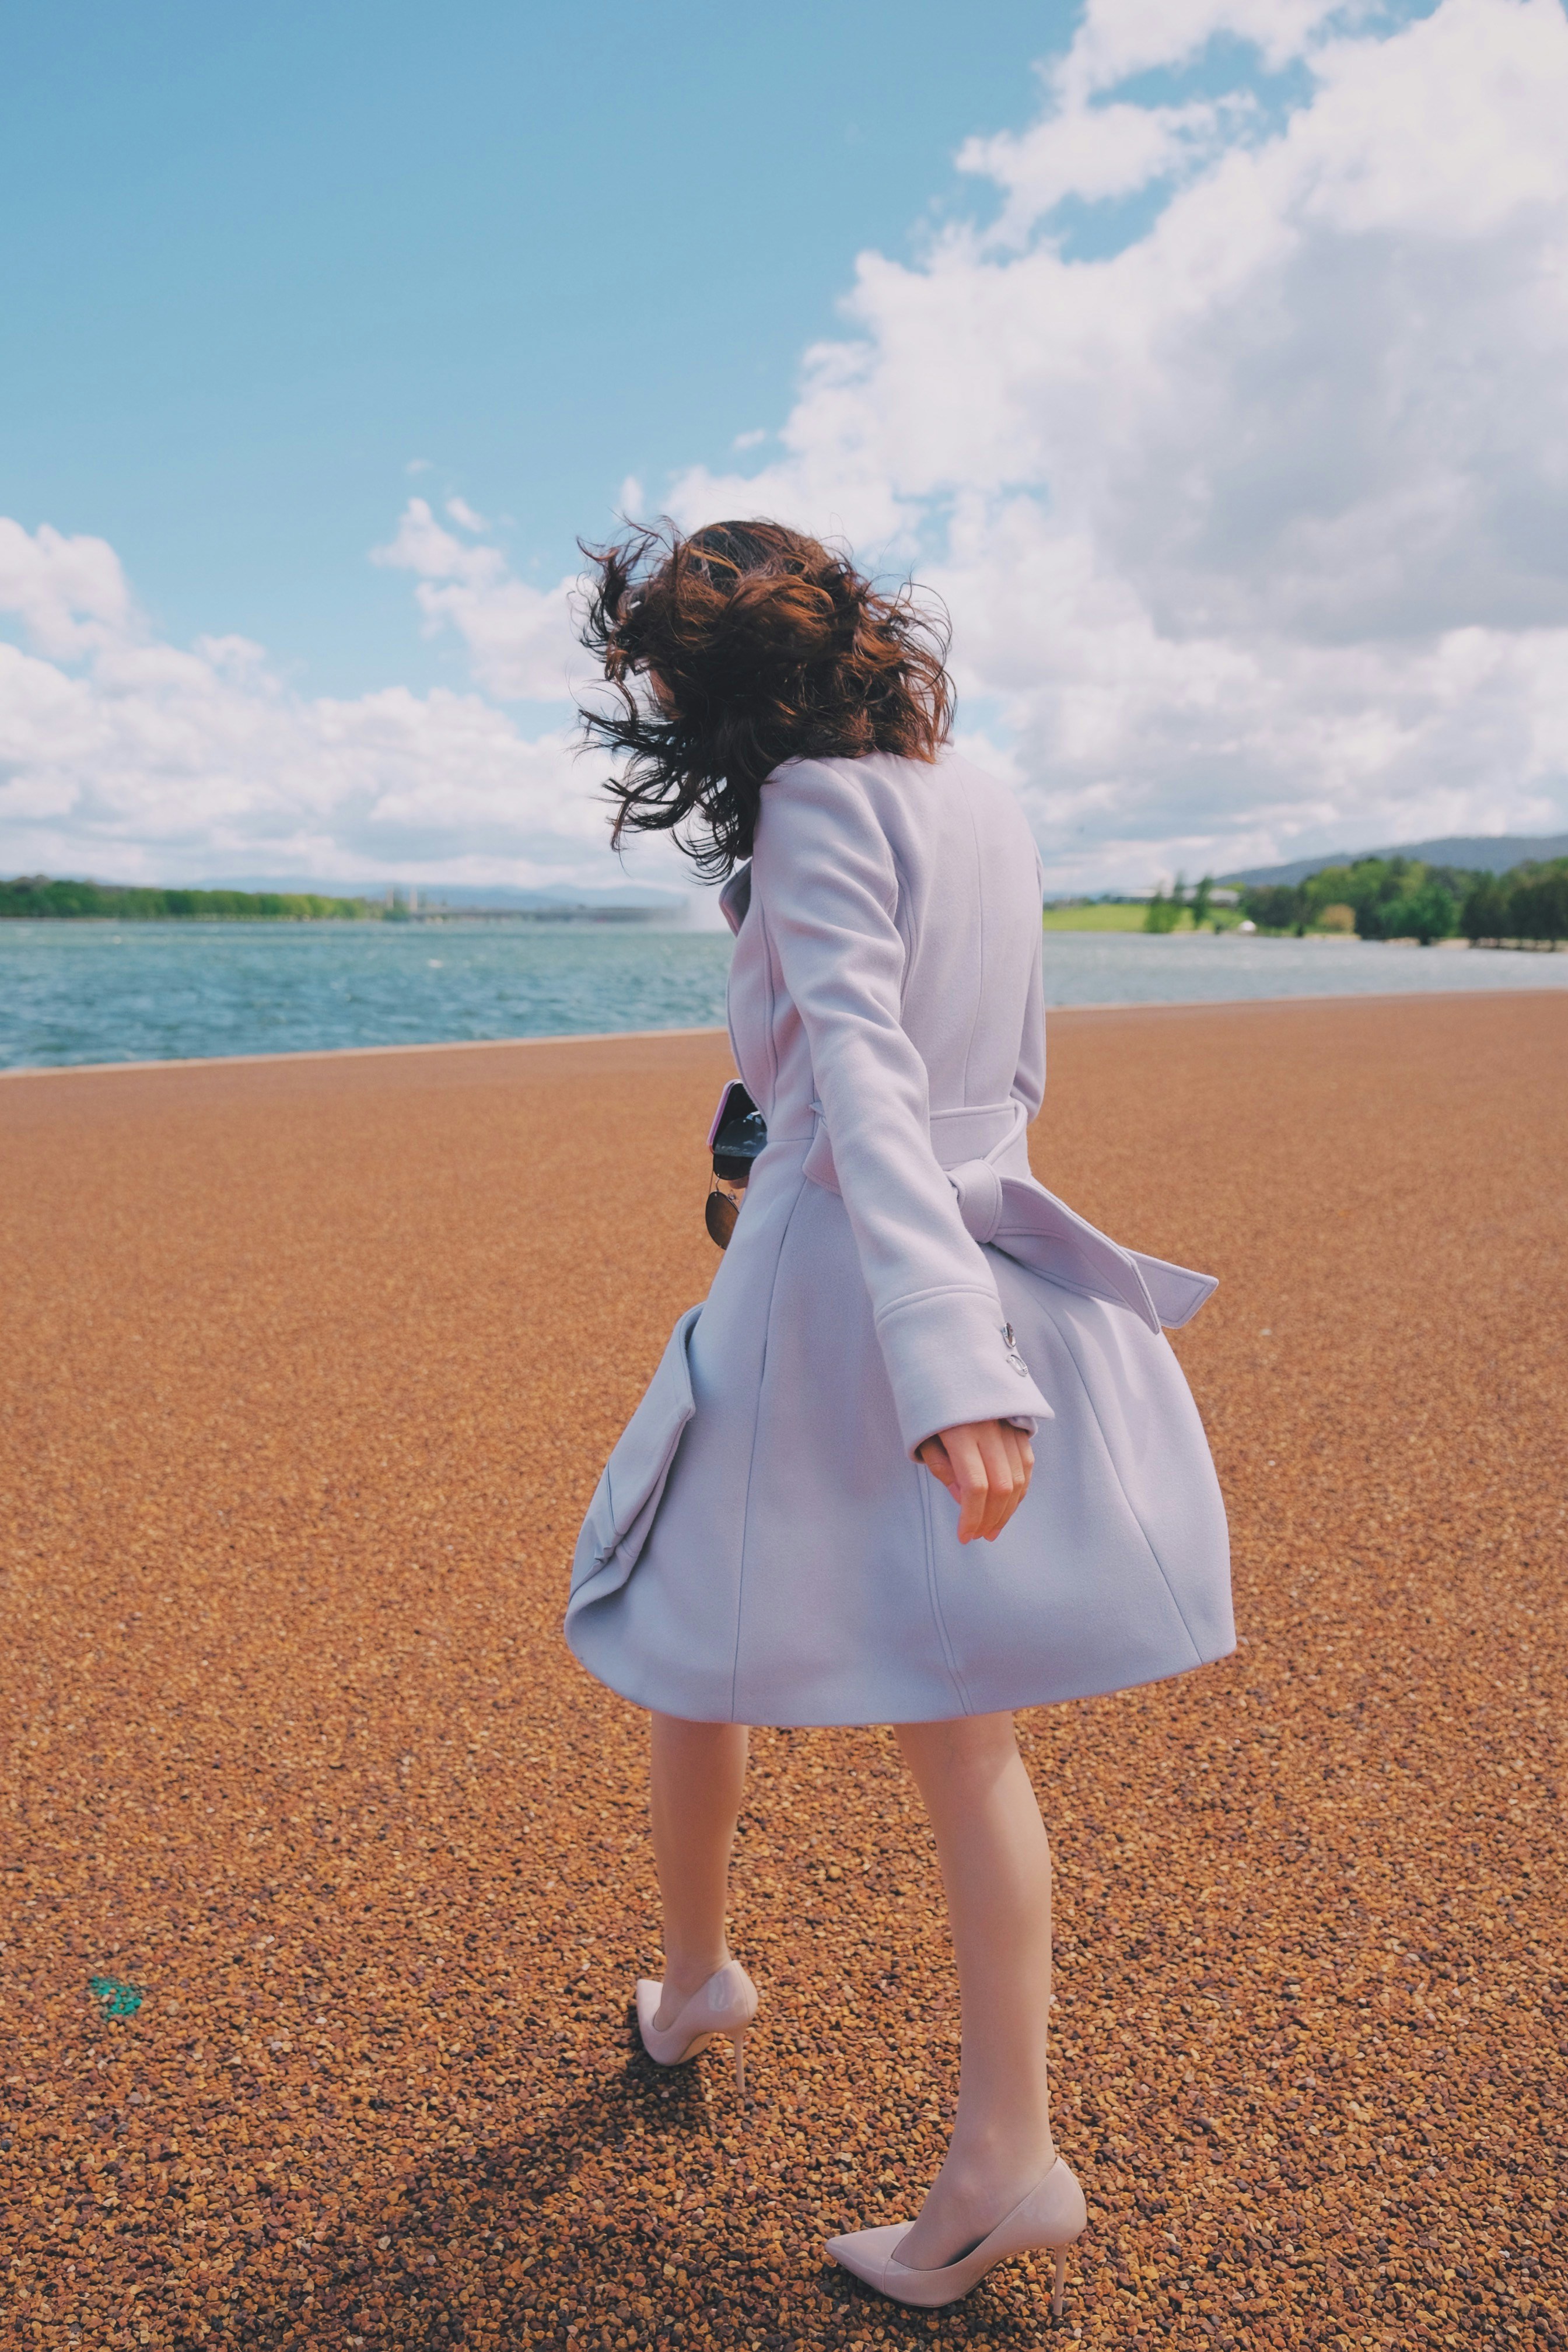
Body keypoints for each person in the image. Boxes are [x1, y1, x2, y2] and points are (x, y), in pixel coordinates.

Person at [565, 520, 1233, 2322]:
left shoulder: (798, 804)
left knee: (678, 1640)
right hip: (958, 1248)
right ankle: (1000, 2148)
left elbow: (859, 1068)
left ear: (707, 691)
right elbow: (986, 1073)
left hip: (834, 1289)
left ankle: (701, 1983)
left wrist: (944, 1367)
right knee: (965, 1731)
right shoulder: (985, 800)